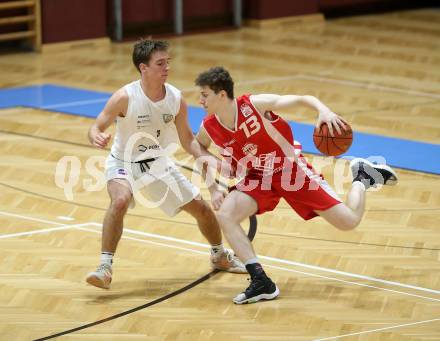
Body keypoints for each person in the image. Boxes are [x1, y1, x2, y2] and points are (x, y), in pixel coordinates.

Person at [194, 66, 398, 304]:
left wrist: (324, 111)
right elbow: (198, 149)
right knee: (226, 214)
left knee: (349, 221)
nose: (200, 100)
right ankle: (261, 281)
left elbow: (302, 99)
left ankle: (362, 178)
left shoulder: (254, 104)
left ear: (221, 95)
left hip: (290, 171)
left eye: (205, 95)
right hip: (259, 177)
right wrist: (213, 187)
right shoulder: (209, 126)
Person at [86, 41, 246, 289]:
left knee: (203, 210)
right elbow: (97, 125)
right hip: (122, 162)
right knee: (120, 200)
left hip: (156, 164)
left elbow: (189, 141)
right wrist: (96, 135)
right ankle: (104, 267)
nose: (166, 68)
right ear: (143, 68)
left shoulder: (175, 98)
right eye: (160, 63)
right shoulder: (124, 97)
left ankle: (219, 255)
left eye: (167, 62)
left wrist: (214, 168)